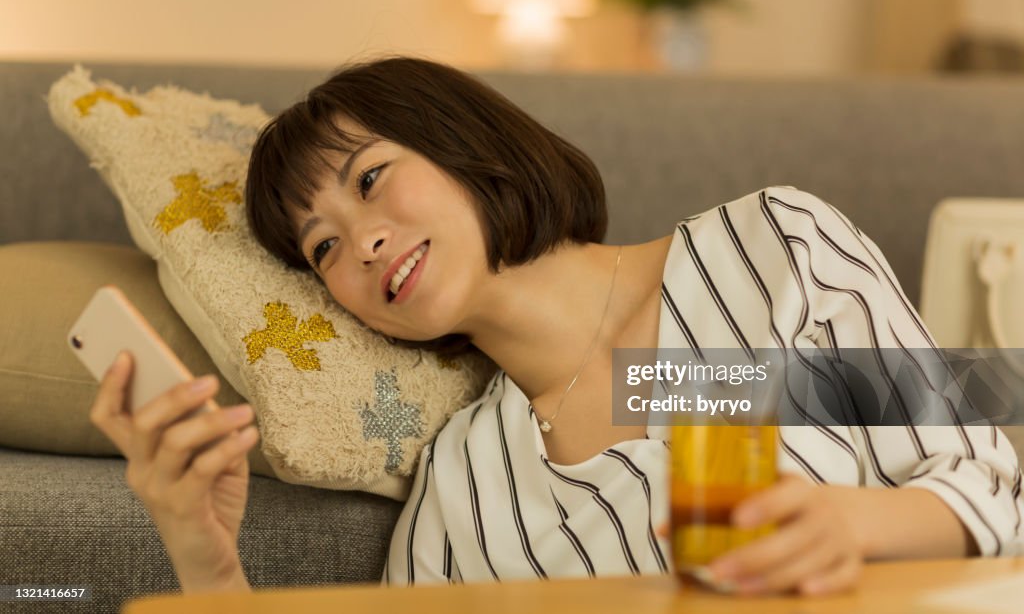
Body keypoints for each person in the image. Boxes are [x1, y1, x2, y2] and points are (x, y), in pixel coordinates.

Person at [90, 56, 1024, 597]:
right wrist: (207, 562)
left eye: (370, 178)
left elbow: (982, 475)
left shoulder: (767, 251)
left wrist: (850, 524)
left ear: (465, 140)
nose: (361, 243)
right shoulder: (465, 483)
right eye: (322, 248)